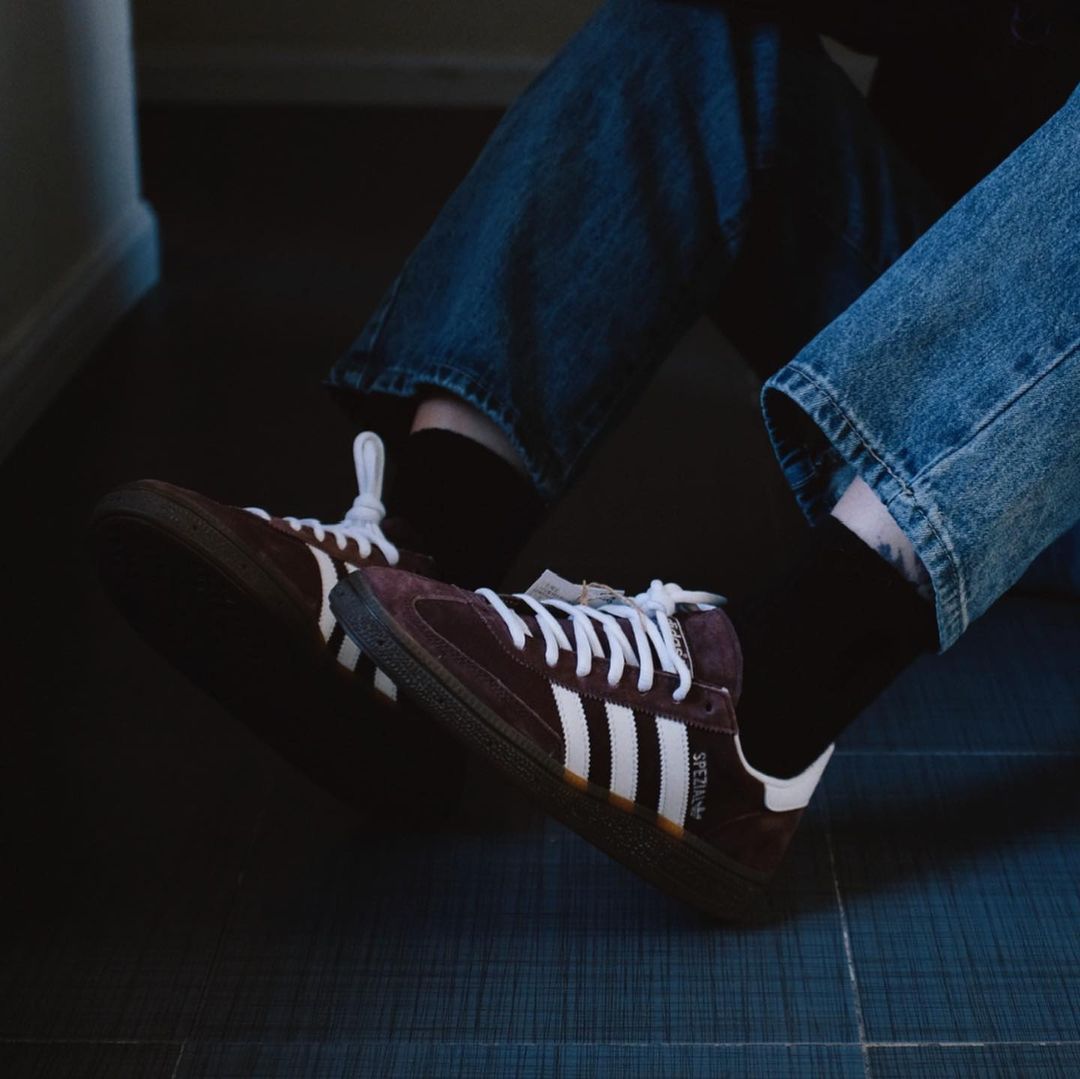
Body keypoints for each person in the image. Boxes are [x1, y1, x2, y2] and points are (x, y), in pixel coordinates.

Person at [93, 0, 1079, 916]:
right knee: (690, 28)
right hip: (956, 321)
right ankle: (412, 578)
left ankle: (765, 711)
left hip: (1035, 448)